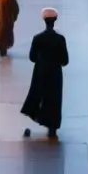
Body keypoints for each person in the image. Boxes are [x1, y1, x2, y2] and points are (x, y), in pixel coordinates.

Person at [21, 8, 70, 139]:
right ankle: (52, 127)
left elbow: (32, 57)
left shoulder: (37, 38)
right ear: (55, 21)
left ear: (44, 21)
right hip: (55, 73)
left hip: (40, 71)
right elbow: (65, 60)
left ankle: (40, 116)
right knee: (54, 99)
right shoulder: (60, 39)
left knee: (40, 96)